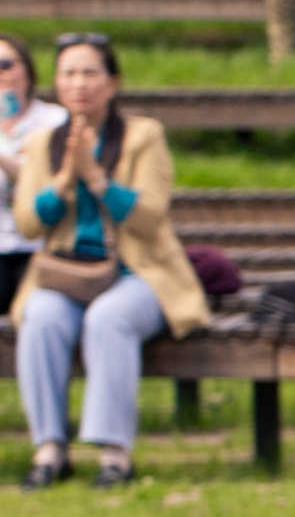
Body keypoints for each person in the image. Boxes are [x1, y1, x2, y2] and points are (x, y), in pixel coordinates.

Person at [10, 35, 209, 490]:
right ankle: (49, 450)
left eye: (90, 73)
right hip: (67, 274)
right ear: (57, 83)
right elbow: (28, 224)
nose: (79, 83)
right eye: (69, 73)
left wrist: (97, 178)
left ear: (113, 82)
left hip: (137, 274)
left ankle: (114, 455)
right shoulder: (44, 143)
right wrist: (65, 179)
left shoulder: (144, 136)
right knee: (40, 317)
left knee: (109, 317)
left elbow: (150, 217)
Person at [0, 33, 67, 314]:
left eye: (5, 64)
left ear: (27, 69)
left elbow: (53, 183)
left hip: (44, 244)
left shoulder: (55, 121)